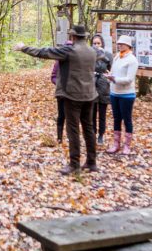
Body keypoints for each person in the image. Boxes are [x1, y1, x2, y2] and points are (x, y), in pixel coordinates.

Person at [15, 25, 98, 174]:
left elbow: (44, 52)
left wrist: (24, 47)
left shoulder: (69, 50)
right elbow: (103, 57)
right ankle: (91, 162)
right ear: (84, 36)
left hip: (72, 95)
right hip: (90, 95)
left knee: (73, 129)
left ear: (72, 36)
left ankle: (74, 165)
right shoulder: (92, 51)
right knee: (89, 128)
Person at [106, 34, 138, 154]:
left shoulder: (132, 60)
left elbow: (129, 79)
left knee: (127, 119)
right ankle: (116, 144)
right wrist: (109, 77)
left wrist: (115, 79)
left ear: (128, 45)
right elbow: (114, 72)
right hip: (115, 93)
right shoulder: (117, 57)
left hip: (127, 94)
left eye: (122, 44)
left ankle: (127, 145)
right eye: (118, 44)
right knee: (116, 119)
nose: (119, 45)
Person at [91, 34, 112, 144]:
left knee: (102, 112)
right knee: (92, 112)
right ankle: (93, 133)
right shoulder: (89, 54)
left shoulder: (108, 55)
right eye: (94, 43)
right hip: (92, 83)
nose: (96, 45)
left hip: (103, 84)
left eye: (98, 43)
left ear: (102, 43)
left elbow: (110, 69)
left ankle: (101, 135)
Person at [50, 40, 72, 143]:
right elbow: (53, 76)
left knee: (71, 116)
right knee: (61, 115)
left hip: (73, 93)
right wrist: (58, 83)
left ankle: (70, 136)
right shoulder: (58, 62)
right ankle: (59, 137)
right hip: (61, 93)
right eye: (66, 47)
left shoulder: (76, 61)